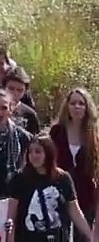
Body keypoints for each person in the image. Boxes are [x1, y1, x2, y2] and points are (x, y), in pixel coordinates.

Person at [6, 135, 94, 242]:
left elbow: (75, 211)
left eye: (38, 151)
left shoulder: (63, 178)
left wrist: (91, 236)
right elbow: (11, 217)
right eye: (30, 152)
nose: (33, 155)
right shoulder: (20, 179)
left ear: (48, 153)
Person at [50, 88, 99, 225]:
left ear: (87, 107)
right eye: (73, 103)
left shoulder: (93, 135)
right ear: (67, 106)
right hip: (58, 195)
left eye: (81, 103)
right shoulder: (57, 132)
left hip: (87, 197)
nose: (77, 107)